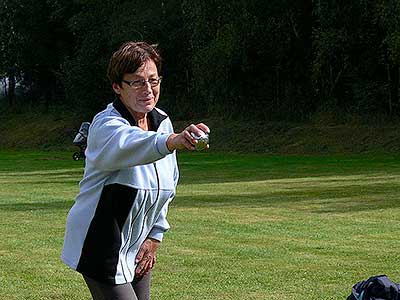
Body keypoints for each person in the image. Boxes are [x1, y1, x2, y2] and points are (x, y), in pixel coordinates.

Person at [61, 41, 210, 300]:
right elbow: (131, 143)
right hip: (100, 244)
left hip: (137, 244)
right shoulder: (106, 126)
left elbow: (166, 186)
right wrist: (171, 141)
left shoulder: (161, 121)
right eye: (137, 82)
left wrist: (155, 236)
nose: (149, 90)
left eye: (154, 80)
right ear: (117, 86)